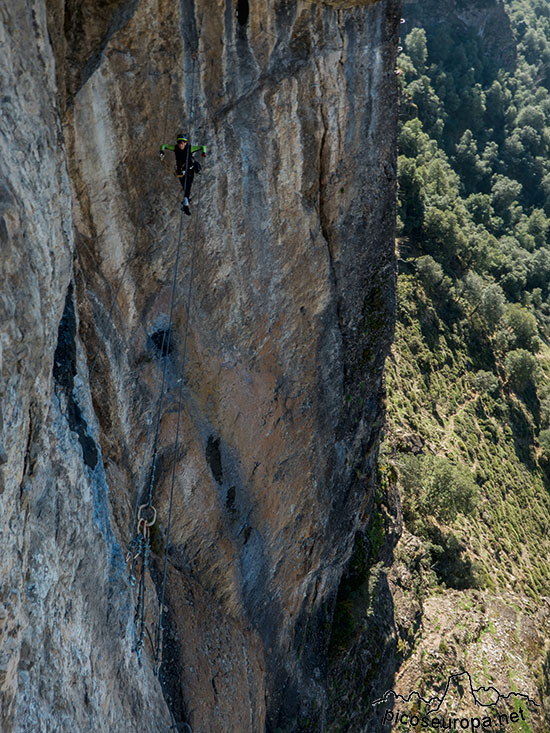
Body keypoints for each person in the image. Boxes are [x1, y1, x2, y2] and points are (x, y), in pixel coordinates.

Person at [159, 134, 206, 215]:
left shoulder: (190, 148)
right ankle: (186, 202)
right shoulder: (175, 148)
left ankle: (186, 203)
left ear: (186, 143)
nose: (181, 144)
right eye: (179, 143)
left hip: (190, 170)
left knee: (188, 186)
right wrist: (162, 152)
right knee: (186, 187)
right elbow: (163, 146)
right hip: (180, 171)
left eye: (182, 142)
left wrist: (204, 152)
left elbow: (203, 147)